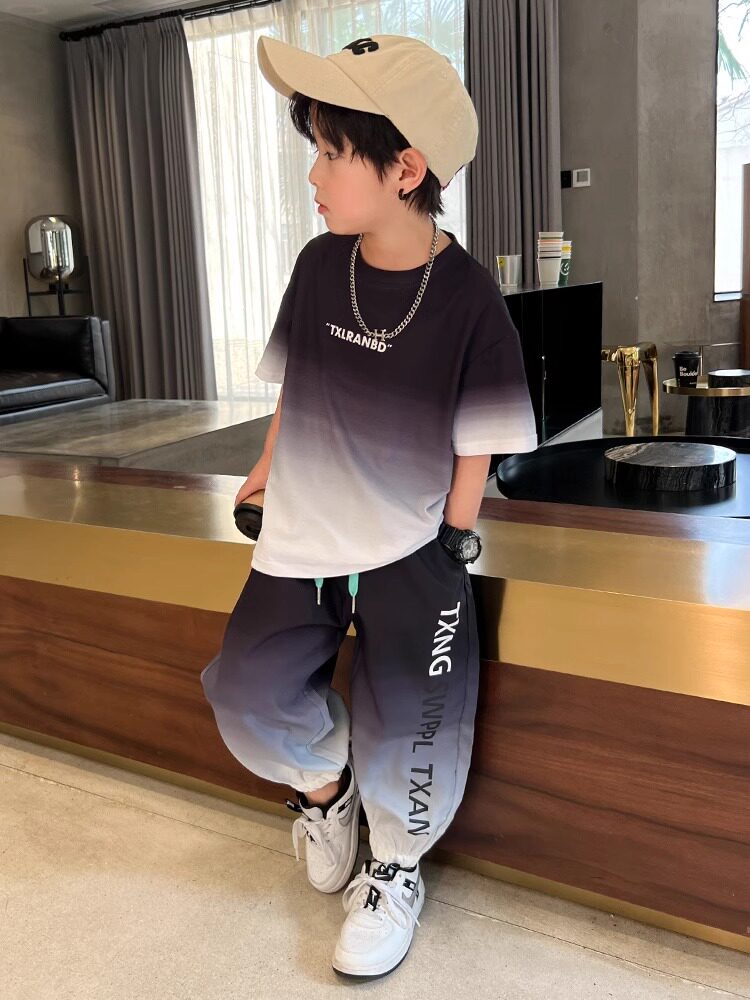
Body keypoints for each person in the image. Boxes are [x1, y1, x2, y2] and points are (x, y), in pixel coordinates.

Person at [200, 33, 537, 981]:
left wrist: (454, 538)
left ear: (406, 169)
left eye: (330, 152)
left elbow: (480, 438)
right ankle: (325, 789)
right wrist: (266, 468)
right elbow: (295, 387)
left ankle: (392, 868)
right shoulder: (319, 266)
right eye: (314, 147)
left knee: (419, 713)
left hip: (409, 541)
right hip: (304, 532)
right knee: (245, 693)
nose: (312, 174)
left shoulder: (471, 299)